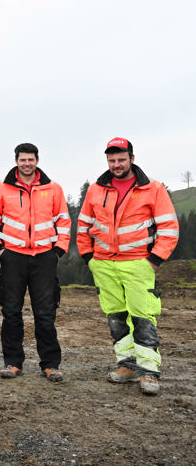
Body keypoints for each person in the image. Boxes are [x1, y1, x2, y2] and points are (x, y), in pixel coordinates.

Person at [78, 137, 179, 397]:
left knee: (143, 316)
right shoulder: (96, 189)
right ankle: (127, 365)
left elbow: (169, 228)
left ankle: (150, 372)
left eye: (121, 159)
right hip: (103, 263)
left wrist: (154, 260)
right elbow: (83, 226)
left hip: (138, 263)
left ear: (131, 159)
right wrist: (89, 257)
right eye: (112, 160)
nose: (116, 164)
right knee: (116, 316)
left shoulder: (152, 189)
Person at [0, 142, 70, 382]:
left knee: (45, 313)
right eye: (22, 159)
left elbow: (64, 221)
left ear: (37, 160)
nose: (27, 163)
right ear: (16, 161)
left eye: (30, 159)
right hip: (12, 256)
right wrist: (0, 251)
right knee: (11, 311)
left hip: (45, 257)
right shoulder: (0, 188)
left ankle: (50, 364)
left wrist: (58, 252)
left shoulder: (53, 189)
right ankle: (13, 362)